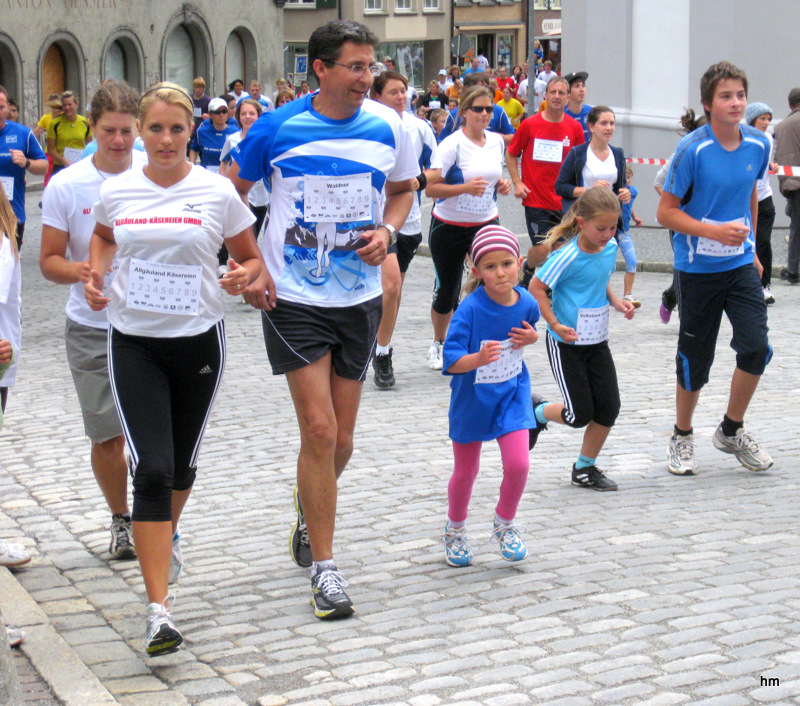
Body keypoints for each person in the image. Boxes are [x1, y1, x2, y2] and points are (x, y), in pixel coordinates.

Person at [228, 20, 417, 620]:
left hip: (358, 298)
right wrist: (252, 265)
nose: (368, 77)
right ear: (321, 69)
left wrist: (387, 230)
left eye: (372, 66)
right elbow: (229, 198)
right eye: (356, 67)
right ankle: (326, 571)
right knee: (319, 430)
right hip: (294, 300)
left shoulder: (389, 127)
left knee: (343, 441)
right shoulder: (277, 126)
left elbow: (404, 189)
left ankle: (309, 502)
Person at [84, 81, 261, 656]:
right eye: (153, 129)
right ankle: (159, 610)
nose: (164, 140)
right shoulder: (118, 190)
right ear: (139, 130)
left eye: (175, 129)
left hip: (199, 341)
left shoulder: (215, 192)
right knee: (153, 471)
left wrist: (242, 275)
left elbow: (250, 257)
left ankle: (166, 534)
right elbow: (104, 240)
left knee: (181, 465)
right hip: (134, 341)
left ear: (192, 132)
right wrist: (96, 274)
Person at [40, 81, 147, 564]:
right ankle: (121, 519)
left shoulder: (157, 174)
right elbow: (48, 260)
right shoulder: (68, 184)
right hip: (91, 324)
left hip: (151, 323)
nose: (119, 141)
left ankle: (156, 518)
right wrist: (83, 272)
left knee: (149, 431)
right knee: (107, 433)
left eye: (127, 131)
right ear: (91, 127)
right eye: (109, 132)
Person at [657, 61, 773, 477]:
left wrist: (754, 249)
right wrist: (711, 230)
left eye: (740, 94)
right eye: (726, 96)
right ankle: (682, 435)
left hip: (740, 263)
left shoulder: (759, 144)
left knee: (757, 347)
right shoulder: (693, 149)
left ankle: (730, 429)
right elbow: (666, 212)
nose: (736, 102)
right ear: (708, 104)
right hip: (697, 267)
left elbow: (752, 197)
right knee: (695, 358)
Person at [440, 225, 539, 567]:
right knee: (466, 472)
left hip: (511, 395)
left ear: (520, 263)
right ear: (477, 270)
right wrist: (478, 359)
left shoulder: (526, 301)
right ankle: (455, 529)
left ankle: (505, 523)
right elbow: (451, 362)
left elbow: (532, 328)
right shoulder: (469, 310)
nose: (500, 273)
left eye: (507, 263)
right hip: (472, 402)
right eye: (491, 266)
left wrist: (532, 339)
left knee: (519, 463)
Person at [530, 188, 636, 492]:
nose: (607, 234)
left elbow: (601, 280)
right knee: (578, 415)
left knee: (609, 408)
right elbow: (537, 289)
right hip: (565, 344)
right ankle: (536, 412)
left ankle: (584, 468)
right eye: (600, 228)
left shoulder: (610, 247)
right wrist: (555, 324)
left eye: (613, 227)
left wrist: (617, 302)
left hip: (597, 341)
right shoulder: (567, 256)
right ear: (581, 222)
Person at [425, 85, 513, 369]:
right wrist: (464, 187)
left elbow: (493, 178)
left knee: (491, 285)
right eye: (478, 109)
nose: (485, 114)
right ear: (464, 112)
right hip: (449, 224)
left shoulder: (496, 142)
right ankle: (439, 343)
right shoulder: (451, 144)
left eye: (490, 109)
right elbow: (430, 188)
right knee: (448, 291)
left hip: (485, 223)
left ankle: (483, 342)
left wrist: (502, 184)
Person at [371, 70, 442, 388]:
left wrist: (419, 181)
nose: (401, 98)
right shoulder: (366, 125)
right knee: (390, 286)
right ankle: (381, 353)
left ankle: (378, 345)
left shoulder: (419, 127)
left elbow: (438, 169)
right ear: (376, 96)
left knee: (392, 290)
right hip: (374, 222)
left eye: (404, 92)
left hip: (408, 222)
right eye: (393, 92)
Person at [554, 105, 638, 304]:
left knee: (603, 262)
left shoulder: (617, 154)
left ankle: (598, 298)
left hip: (609, 219)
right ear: (591, 126)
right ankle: (573, 297)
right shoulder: (578, 153)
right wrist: (588, 190)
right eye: (604, 123)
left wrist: (624, 193)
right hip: (583, 218)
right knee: (582, 262)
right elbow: (561, 187)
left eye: (612, 123)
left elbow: (618, 187)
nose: (609, 128)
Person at [506, 76, 585, 286]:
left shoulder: (574, 128)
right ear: (546, 95)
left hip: (564, 202)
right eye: (553, 92)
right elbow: (511, 153)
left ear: (568, 98)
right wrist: (517, 182)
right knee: (543, 249)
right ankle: (536, 275)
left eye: (561, 93)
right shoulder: (530, 124)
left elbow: (580, 163)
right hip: (536, 201)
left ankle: (542, 283)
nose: (557, 97)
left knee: (560, 251)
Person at [653, 108, 707, 324]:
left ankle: (674, 296)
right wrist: (676, 207)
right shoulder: (682, 155)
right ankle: (685, 314)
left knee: (704, 268)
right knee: (686, 266)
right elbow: (659, 182)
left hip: (710, 223)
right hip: (682, 222)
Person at [189, 97, 239, 275]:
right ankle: (205, 254)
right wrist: (192, 164)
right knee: (206, 218)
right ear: (210, 114)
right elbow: (194, 147)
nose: (221, 115)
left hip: (226, 177)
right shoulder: (203, 131)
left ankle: (222, 260)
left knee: (223, 218)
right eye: (217, 112)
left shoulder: (234, 131)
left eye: (224, 111)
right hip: (206, 176)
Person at [0, 85, 48, 249]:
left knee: (9, 268)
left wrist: (27, 162)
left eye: (1, 107)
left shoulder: (23, 133)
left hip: (12, 214)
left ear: (8, 108)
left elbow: (44, 167)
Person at [220, 99, 268, 243]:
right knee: (242, 234)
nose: (248, 117)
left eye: (252, 113)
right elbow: (224, 161)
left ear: (258, 116)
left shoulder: (266, 139)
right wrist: (224, 182)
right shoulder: (232, 139)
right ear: (238, 117)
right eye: (244, 113)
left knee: (254, 234)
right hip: (239, 194)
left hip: (262, 196)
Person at [746, 102, 778, 304]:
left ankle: (764, 285)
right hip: (745, 198)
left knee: (763, 241)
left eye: (768, 119)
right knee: (747, 242)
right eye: (762, 118)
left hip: (764, 197)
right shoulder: (743, 139)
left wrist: (772, 164)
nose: (766, 123)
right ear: (752, 120)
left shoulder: (768, 139)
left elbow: (766, 162)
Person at [438, 73, 515, 146]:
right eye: (478, 87)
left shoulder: (498, 111)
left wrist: (491, 137)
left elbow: (512, 138)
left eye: (486, 86)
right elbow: (442, 141)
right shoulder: (455, 114)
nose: (483, 90)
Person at [774, 87, 800, 286]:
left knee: (796, 229)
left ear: (790, 105)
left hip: (793, 184)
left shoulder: (780, 127)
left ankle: (793, 270)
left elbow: (777, 157)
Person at [46, 91, 92, 177]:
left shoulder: (85, 122)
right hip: (60, 167)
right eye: (64, 105)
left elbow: (89, 146)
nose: (67, 107)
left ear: (76, 104)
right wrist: (64, 161)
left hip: (79, 166)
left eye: (70, 104)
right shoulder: (55, 123)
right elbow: (51, 149)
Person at [563, 71, 592, 142]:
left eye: (583, 85)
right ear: (568, 92)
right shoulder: (561, 114)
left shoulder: (592, 113)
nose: (582, 90)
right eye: (577, 86)